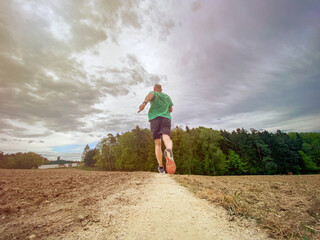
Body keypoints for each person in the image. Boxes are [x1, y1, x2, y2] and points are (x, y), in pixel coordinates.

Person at [138, 84, 176, 174]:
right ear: (161, 89)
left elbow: (149, 96)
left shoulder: (153, 93)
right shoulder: (167, 97)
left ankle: (161, 167)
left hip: (155, 119)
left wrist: (144, 103)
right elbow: (170, 109)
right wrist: (164, 108)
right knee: (166, 137)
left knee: (158, 143)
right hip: (166, 118)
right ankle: (169, 149)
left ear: (154, 89)